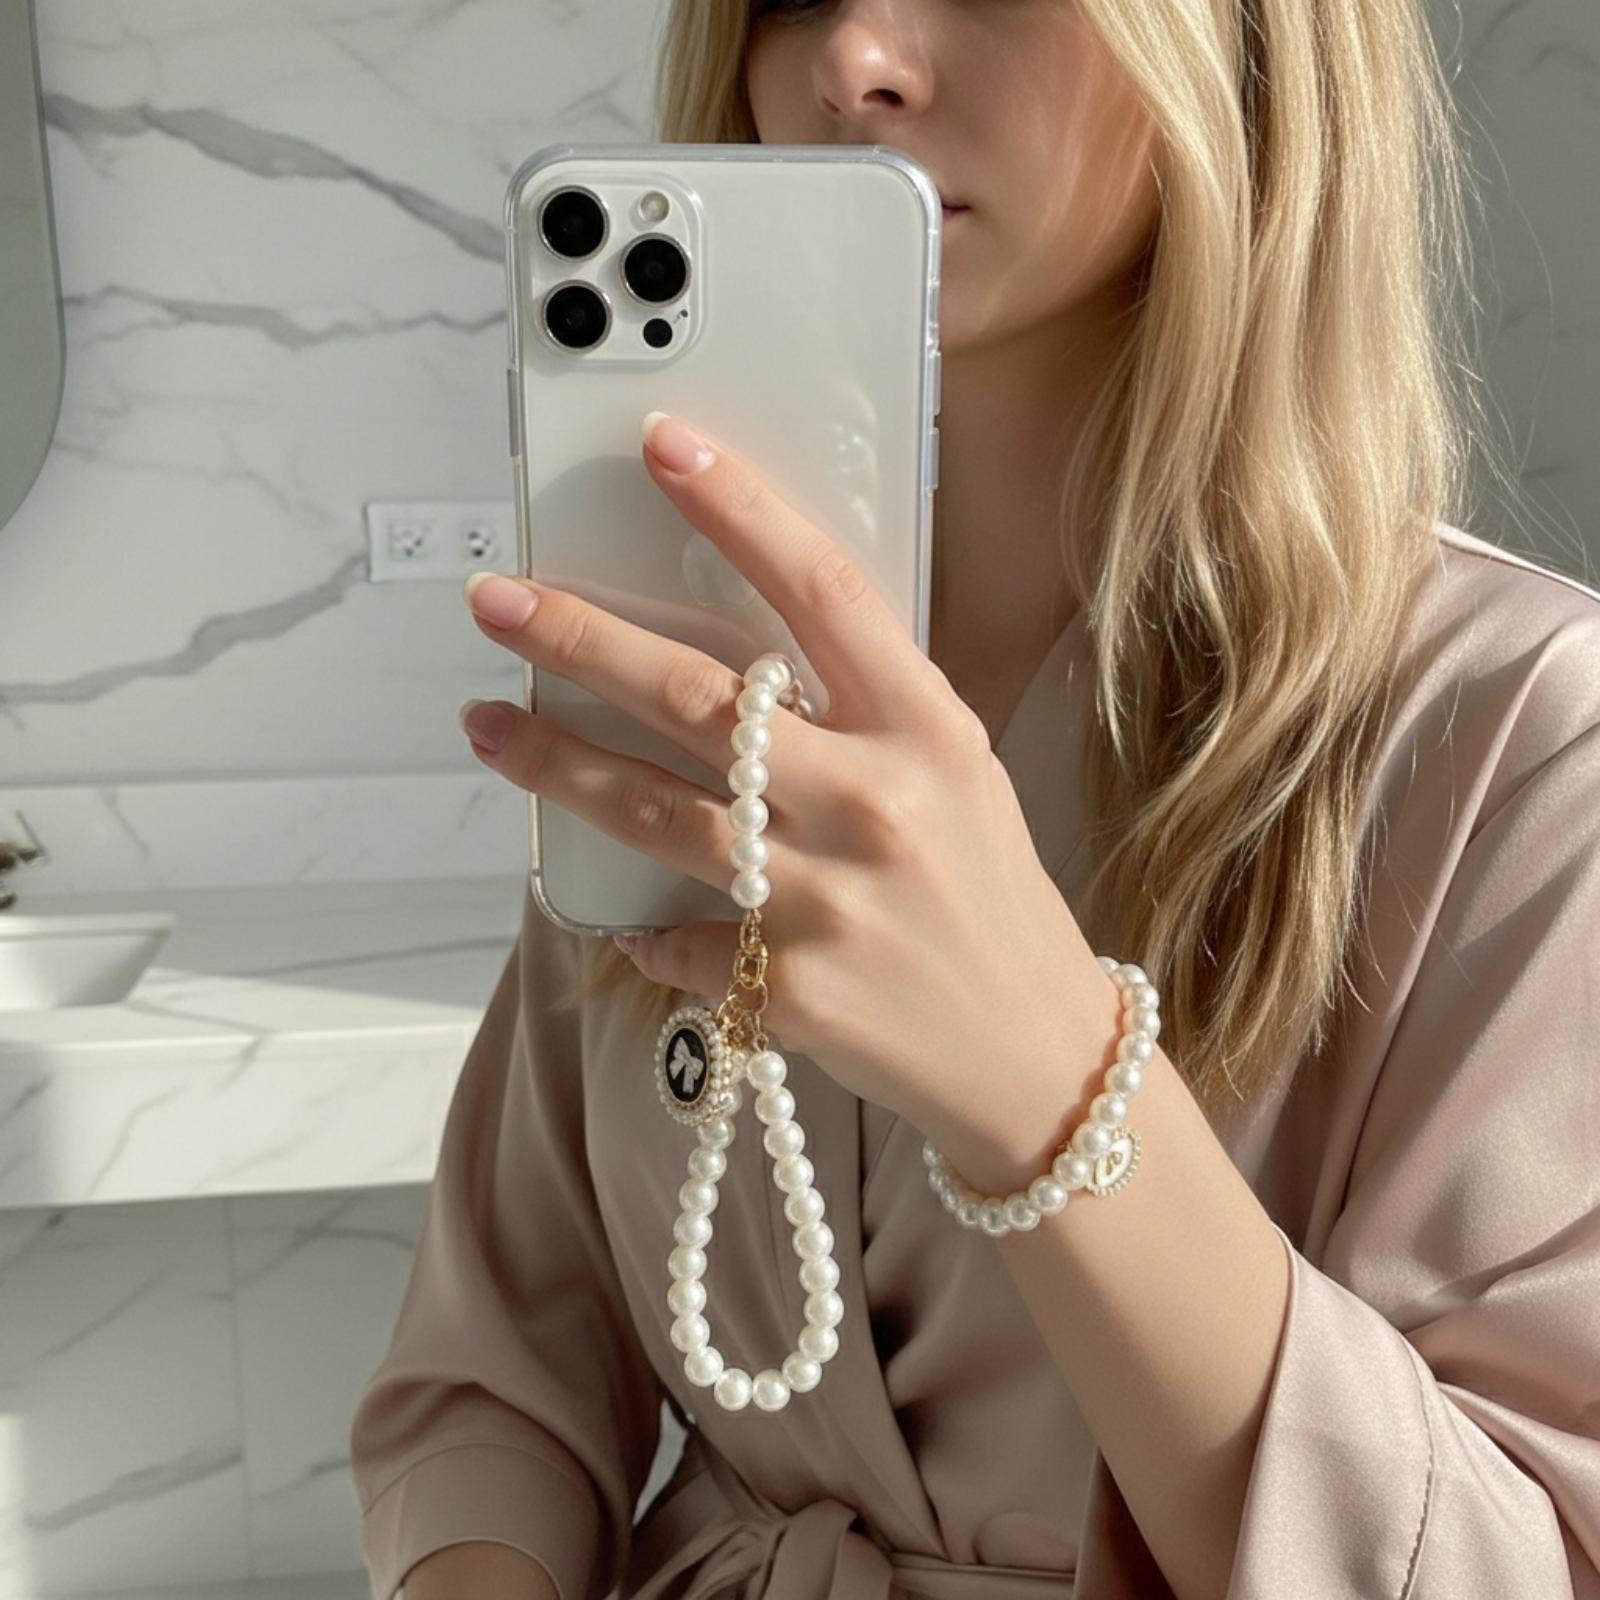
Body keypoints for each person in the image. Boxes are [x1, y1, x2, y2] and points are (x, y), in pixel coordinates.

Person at [348, 1, 1600, 1596]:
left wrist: (1050, 1086)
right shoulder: (708, 690)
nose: (849, 60)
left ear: (1248, 43)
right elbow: (492, 1381)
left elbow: (1514, 1561)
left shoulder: (1527, 738)